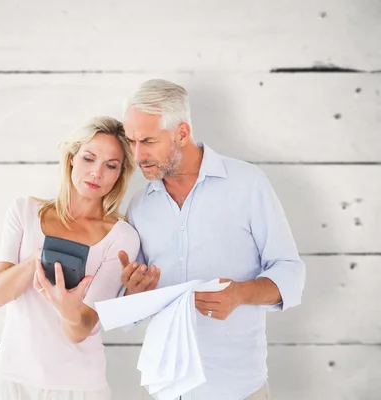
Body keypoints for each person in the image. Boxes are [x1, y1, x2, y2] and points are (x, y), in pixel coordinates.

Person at [118, 79, 306, 400]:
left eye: (148, 141)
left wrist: (241, 294)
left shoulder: (248, 184)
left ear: (181, 133)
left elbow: (290, 272)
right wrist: (132, 294)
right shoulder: (139, 205)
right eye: (132, 141)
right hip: (168, 388)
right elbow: (129, 309)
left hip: (237, 386)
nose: (137, 155)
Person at [0, 116, 140, 400]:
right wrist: (39, 259)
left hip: (79, 386)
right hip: (14, 379)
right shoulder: (25, 212)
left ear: (120, 174)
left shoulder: (121, 237)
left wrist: (68, 308)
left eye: (111, 166)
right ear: (71, 158)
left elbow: (80, 329)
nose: (97, 173)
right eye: (89, 158)